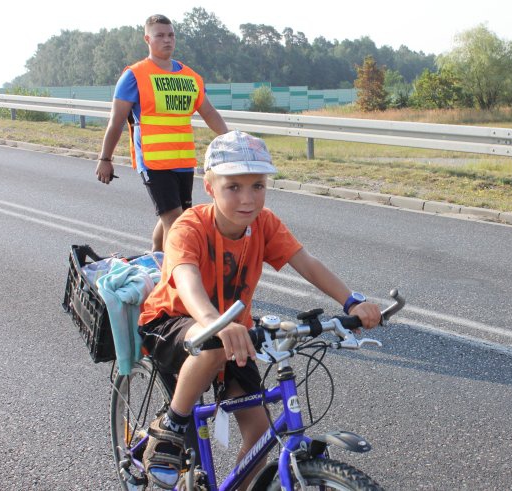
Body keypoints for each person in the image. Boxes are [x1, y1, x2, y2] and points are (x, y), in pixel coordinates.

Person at [137, 130, 382, 490]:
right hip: (174, 322)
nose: (248, 199)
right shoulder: (190, 227)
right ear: (209, 186)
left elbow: (307, 263)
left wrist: (352, 302)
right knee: (214, 342)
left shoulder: (264, 223)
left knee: (260, 433)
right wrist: (212, 323)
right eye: (233, 186)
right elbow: (187, 281)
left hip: (234, 332)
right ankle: (171, 425)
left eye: (258, 185)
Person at [95, 14, 228, 252]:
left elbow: (209, 112)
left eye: (171, 35)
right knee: (176, 222)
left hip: (183, 161)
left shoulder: (190, 77)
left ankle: (156, 257)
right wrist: (105, 159)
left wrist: (229, 139)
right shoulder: (134, 76)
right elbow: (116, 122)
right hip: (154, 162)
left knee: (176, 216)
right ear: (147, 39)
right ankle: (172, 277)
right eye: (160, 35)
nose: (167, 40)